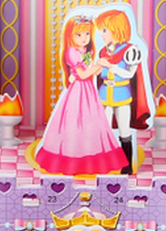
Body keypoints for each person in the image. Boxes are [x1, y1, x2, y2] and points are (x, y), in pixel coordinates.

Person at [34, 16, 127, 175]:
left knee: (92, 121)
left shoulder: (87, 51)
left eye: (87, 34)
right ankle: (73, 158)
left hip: (89, 89)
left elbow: (92, 73)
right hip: (78, 90)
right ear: (70, 35)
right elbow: (83, 75)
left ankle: (92, 156)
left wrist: (102, 65)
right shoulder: (71, 52)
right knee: (75, 121)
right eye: (79, 35)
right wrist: (99, 64)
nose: (84, 38)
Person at [95, 8, 150, 175]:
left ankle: (127, 165)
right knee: (103, 130)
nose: (102, 34)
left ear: (116, 29)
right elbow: (99, 74)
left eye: (105, 30)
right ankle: (104, 162)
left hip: (122, 95)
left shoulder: (131, 50)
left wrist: (110, 66)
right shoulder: (103, 51)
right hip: (104, 93)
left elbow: (130, 74)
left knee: (124, 131)